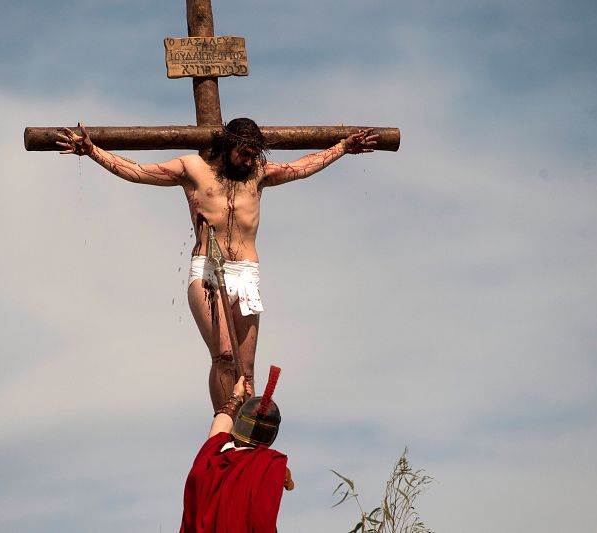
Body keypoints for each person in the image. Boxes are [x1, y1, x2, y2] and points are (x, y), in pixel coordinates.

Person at [57, 119, 378, 410]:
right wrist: (93, 151)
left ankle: (245, 437)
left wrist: (342, 148)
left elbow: (302, 167)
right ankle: (223, 422)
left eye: (254, 154)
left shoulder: (259, 173)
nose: (249, 161)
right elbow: (139, 171)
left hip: (247, 275)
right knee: (224, 355)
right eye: (244, 154)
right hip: (208, 270)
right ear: (227, 147)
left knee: (246, 370)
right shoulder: (193, 168)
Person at [179, 371, 293, 533]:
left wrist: (236, 396)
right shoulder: (269, 464)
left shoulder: (211, 454)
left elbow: (220, 425)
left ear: (240, 421)